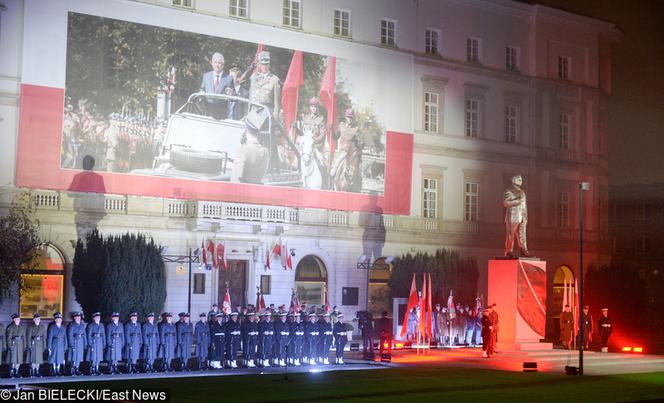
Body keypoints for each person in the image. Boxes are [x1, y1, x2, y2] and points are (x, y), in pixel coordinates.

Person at [230, 109, 269, 184]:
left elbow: (235, 180)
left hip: (241, 193)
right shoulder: (265, 152)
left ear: (246, 129)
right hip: (256, 193)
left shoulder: (243, 150)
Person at [503, 174, 530, 257]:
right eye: (518, 179)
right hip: (512, 216)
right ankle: (508, 251)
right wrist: (518, 201)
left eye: (521, 179)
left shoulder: (523, 192)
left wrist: (526, 216)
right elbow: (505, 203)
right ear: (513, 180)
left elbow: (525, 206)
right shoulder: (509, 191)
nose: (520, 180)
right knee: (510, 234)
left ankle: (523, 250)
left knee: (522, 235)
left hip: (522, 217)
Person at [200, 52, 233, 119]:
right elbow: (202, 89)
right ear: (212, 63)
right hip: (207, 113)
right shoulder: (206, 76)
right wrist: (201, 92)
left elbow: (233, 95)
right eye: (215, 62)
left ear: (223, 65)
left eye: (219, 63)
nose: (217, 65)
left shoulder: (229, 78)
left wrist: (230, 93)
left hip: (221, 115)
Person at [26, 313, 47, 377]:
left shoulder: (42, 327)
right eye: (36, 319)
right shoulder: (31, 327)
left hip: (40, 344)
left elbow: (44, 337)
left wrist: (44, 346)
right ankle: (32, 370)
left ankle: (37, 371)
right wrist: (29, 346)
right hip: (33, 344)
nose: (38, 320)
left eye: (38, 319)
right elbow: (28, 337)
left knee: (39, 359)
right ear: (34, 319)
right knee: (33, 358)